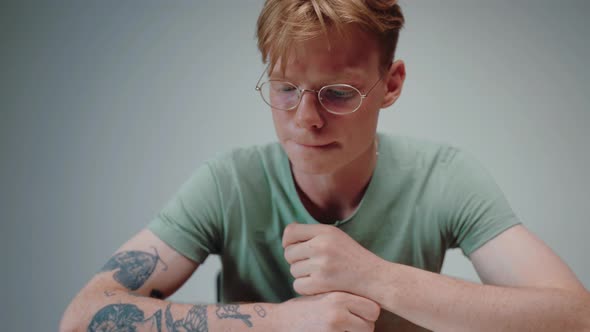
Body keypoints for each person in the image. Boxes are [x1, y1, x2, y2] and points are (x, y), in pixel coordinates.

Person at [60, 1, 590, 331]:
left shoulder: (445, 178)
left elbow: (574, 318)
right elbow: (84, 317)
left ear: (393, 84)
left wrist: (375, 278)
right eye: (286, 89)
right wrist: (280, 324)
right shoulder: (227, 183)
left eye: (338, 93)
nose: (306, 119)